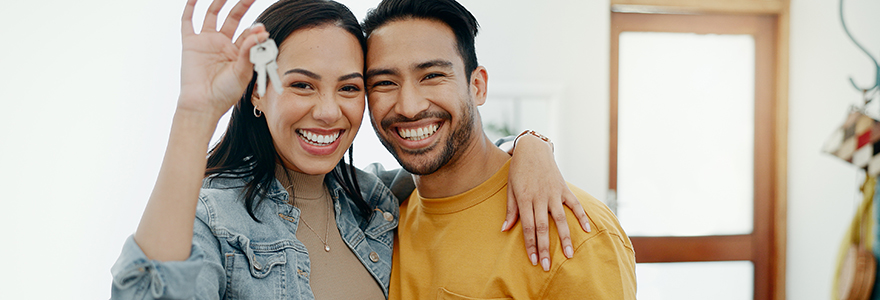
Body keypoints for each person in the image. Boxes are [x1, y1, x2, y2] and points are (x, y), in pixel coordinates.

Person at [110, 0, 589, 299]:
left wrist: (529, 147)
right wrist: (195, 115)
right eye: (301, 84)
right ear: (256, 92)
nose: (327, 111)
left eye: (349, 87)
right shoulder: (214, 215)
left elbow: (454, 161)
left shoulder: (374, 199)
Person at [361, 0, 638, 298]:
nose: (409, 107)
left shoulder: (573, 230)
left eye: (432, 76)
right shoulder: (377, 216)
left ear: (477, 86)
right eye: (384, 82)